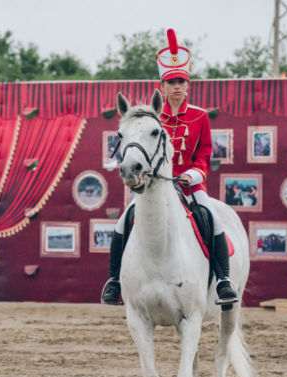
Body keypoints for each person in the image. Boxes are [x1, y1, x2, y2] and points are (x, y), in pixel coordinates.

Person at [101, 28, 238, 306]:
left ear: (187, 86)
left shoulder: (200, 116)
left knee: (212, 218)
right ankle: (114, 280)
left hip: (190, 185)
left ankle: (223, 280)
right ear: (162, 87)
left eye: (181, 81)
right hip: (154, 187)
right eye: (171, 82)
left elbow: (205, 154)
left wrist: (191, 174)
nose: (176, 86)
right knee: (121, 223)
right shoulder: (151, 117)